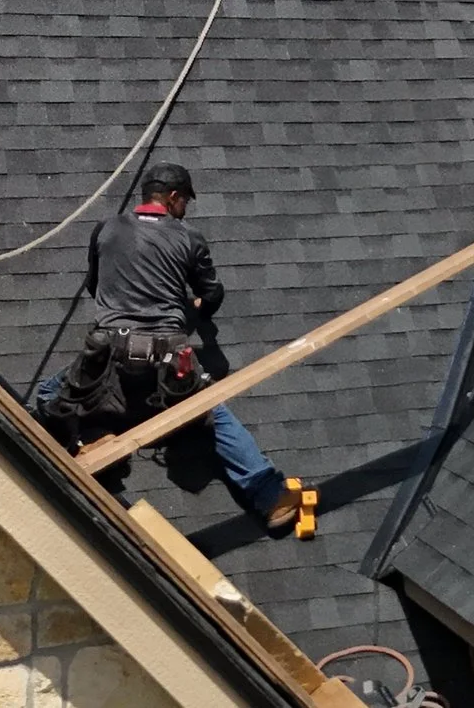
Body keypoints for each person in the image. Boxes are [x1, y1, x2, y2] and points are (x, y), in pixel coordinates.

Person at [35, 162, 303, 533]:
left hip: (108, 358)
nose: (185, 209)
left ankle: (69, 444)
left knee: (50, 394)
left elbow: (96, 286)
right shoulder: (188, 237)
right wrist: (196, 308)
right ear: (174, 197)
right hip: (166, 360)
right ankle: (269, 495)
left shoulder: (107, 228)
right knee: (214, 414)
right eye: (185, 202)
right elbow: (211, 293)